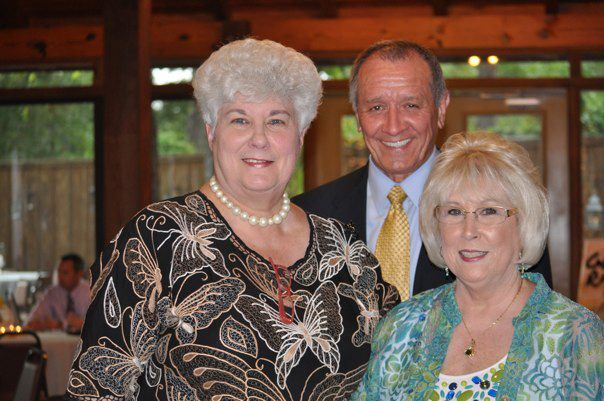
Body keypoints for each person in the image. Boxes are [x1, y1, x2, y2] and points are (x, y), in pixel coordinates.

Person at [65, 39, 398, 401]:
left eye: (276, 121)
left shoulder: (345, 250)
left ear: (300, 136)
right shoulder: (156, 238)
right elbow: (96, 389)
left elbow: (402, 364)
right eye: (240, 120)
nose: (259, 139)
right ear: (212, 132)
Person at [351, 132, 603, 401]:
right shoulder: (401, 326)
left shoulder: (575, 335)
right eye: (454, 212)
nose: (468, 230)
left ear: (524, 224)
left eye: (489, 211)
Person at [293, 40, 552, 298]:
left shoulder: (504, 211)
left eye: (411, 105)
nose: (393, 127)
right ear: (358, 115)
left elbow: (534, 313)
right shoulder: (308, 216)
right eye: (377, 107)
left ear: (441, 107)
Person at [26, 253, 89, 333]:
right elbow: (31, 320)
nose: (60, 276)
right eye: (59, 272)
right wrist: (39, 323)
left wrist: (60, 325)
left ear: (79, 274)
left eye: (65, 273)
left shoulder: (91, 293)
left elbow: (95, 325)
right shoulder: (52, 293)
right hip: (57, 340)